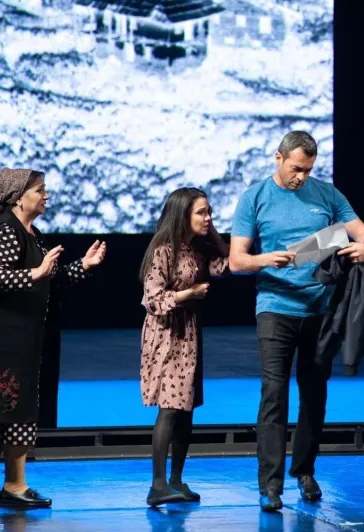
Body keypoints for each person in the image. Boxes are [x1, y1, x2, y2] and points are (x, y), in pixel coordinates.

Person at [229, 131, 364, 512]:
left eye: (308, 170)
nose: (301, 177)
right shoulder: (254, 198)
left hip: (320, 311)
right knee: (274, 395)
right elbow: (236, 261)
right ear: (278, 158)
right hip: (275, 307)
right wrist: (267, 259)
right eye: (296, 168)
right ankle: (270, 484)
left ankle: (305, 471)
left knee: (314, 394)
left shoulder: (327, 194)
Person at [0, 167, 107, 509]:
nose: (46, 195)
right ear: (18, 198)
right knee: (6, 410)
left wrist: (84, 265)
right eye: (40, 190)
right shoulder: (5, 231)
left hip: (20, 341)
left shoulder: (31, 234)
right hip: (2, 342)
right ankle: (11, 485)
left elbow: (50, 280)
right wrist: (35, 273)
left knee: (6, 411)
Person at [139, 187, 230, 507]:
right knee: (170, 406)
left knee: (186, 407)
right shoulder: (163, 250)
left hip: (189, 333)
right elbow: (152, 299)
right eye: (201, 213)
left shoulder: (197, 249)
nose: (208, 218)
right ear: (182, 215)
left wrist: (213, 232)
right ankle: (158, 484)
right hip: (166, 333)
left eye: (209, 212)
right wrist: (187, 294)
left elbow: (226, 264)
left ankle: (176, 480)